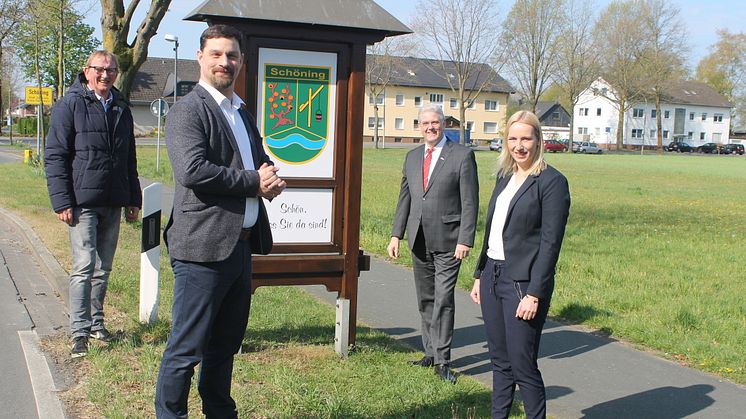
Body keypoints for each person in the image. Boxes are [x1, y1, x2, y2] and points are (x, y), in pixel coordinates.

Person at [154, 24, 286, 418]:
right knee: (186, 347)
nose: (224, 62)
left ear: (242, 62)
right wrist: (253, 182)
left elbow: (257, 161)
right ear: (200, 58)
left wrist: (270, 177)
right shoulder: (187, 111)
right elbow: (193, 171)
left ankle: (219, 412)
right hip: (201, 249)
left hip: (240, 246)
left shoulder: (241, 112)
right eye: (216, 54)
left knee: (225, 346)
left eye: (231, 55)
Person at [470, 110, 570, 418]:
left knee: (522, 364)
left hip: (523, 285)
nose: (519, 145)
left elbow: (550, 244)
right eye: (513, 139)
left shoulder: (552, 182)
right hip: (492, 277)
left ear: (539, 140)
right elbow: (492, 229)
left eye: (526, 138)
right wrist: (479, 274)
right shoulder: (505, 176)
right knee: (500, 363)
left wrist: (535, 293)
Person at [44, 50, 141, 359]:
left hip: (113, 200)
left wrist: (133, 198)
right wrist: (62, 200)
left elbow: (129, 157)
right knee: (85, 266)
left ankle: (98, 325)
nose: (105, 74)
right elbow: (55, 156)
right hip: (81, 202)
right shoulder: (69, 105)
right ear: (86, 71)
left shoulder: (121, 107)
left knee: (104, 267)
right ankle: (79, 332)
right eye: (99, 69)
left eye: (111, 70)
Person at [387, 104, 479, 384]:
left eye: (435, 123)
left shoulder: (462, 156)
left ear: (444, 124)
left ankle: (443, 360)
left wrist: (465, 239)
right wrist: (396, 235)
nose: (430, 127)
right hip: (418, 239)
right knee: (425, 299)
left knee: (443, 299)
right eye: (425, 123)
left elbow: (470, 202)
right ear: (419, 126)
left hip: (450, 241)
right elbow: (405, 199)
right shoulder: (412, 157)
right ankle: (429, 352)